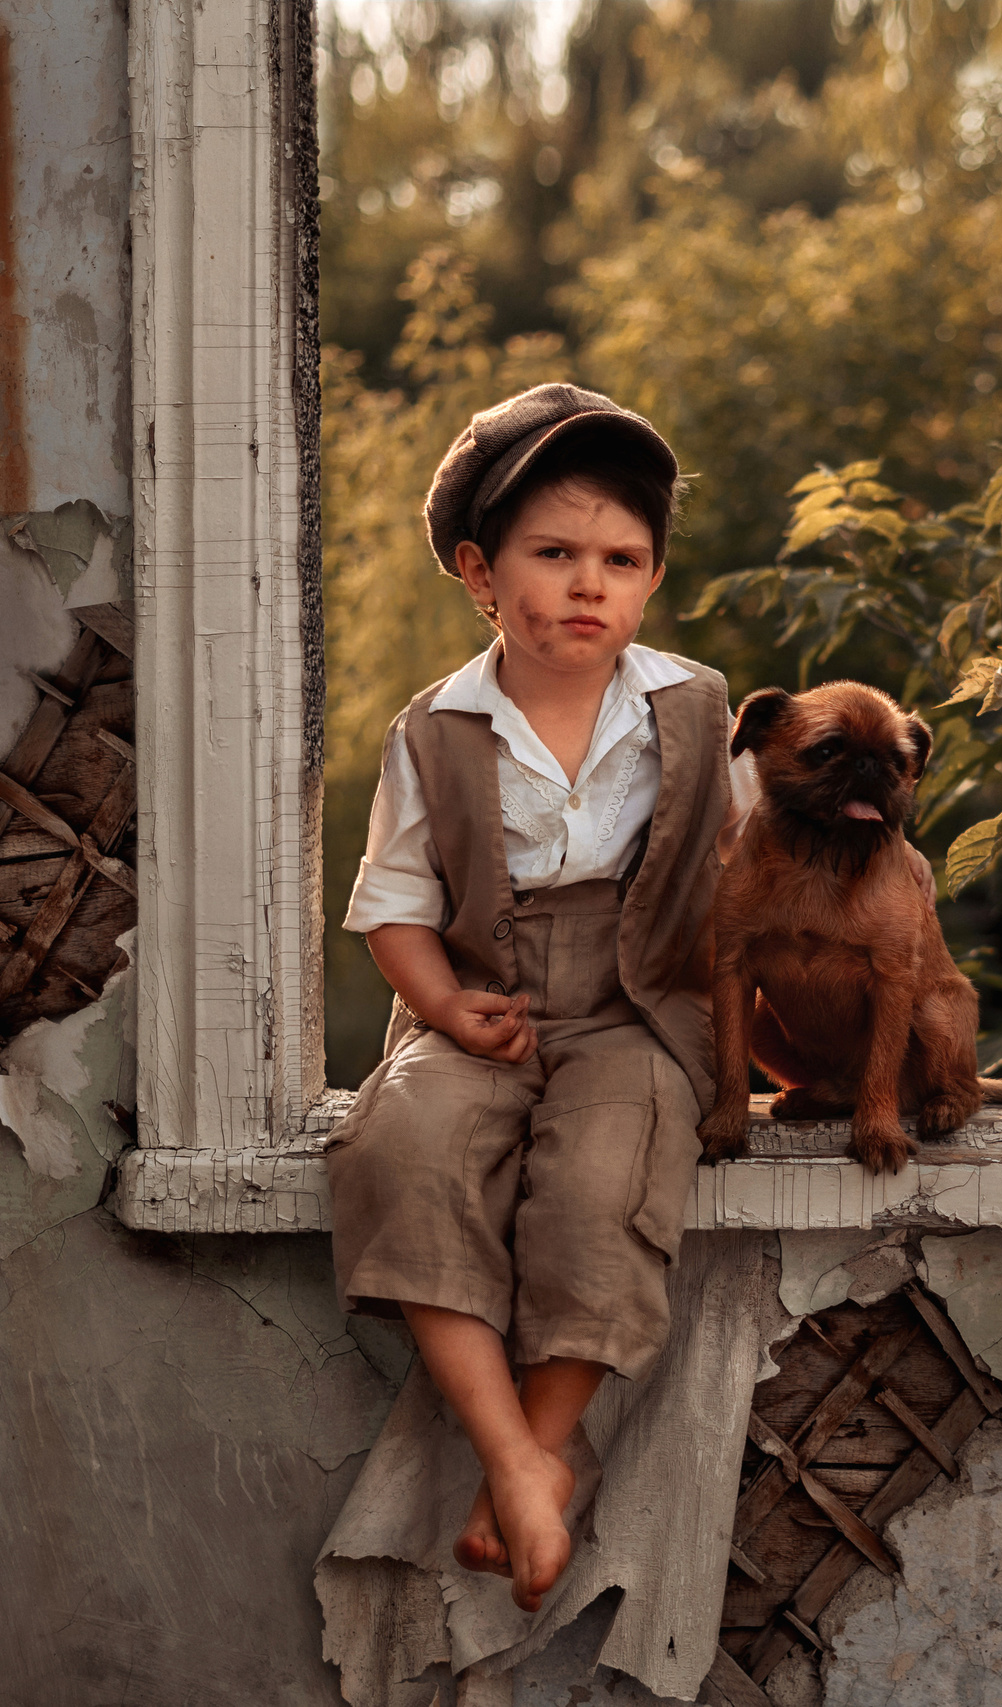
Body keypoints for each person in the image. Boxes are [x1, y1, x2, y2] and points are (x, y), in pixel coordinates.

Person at [324, 384, 751, 1614]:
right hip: (484, 1004)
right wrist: (448, 1011)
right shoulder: (437, 730)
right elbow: (394, 905)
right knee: (404, 1146)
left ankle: (534, 1451)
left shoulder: (696, 710)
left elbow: (749, 867)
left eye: (621, 559)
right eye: (553, 554)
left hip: (640, 1008)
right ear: (479, 568)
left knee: (607, 1174)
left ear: (652, 579)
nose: (587, 585)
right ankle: (516, 1456)